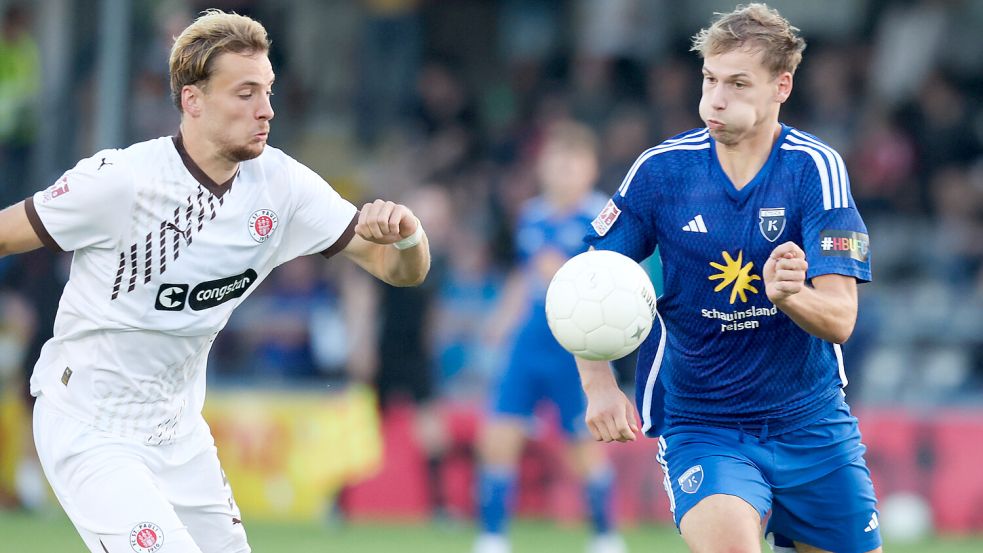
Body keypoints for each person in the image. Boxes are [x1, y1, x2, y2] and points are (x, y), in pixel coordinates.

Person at [0, 10, 430, 553]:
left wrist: (410, 236)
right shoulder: (121, 182)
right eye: (245, 93)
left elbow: (398, 270)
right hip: (91, 428)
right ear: (192, 101)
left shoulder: (283, 186)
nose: (266, 110)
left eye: (268, 92)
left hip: (181, 435)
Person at [576, 5, 882, 553]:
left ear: (780, 87)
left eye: (738, 84)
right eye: (710, 80)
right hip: (703, 425)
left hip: (810, 423)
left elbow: (840, 319)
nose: (716, 99)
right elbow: (588, 280)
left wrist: (790, 295)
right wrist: (599, 385)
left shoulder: (816, 170)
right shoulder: (661, 171)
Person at [473, 120, 627, 553]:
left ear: (590, 168)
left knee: (583, 444)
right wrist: (499, 322)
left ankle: (604, 535)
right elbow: (526, 276)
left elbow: (610, 280)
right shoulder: (531, 215)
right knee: (499, 435)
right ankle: (492, 537)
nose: (562, 171)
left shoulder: (603, 218)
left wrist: (560, 269)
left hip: (578, 349)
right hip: (530, 342)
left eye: (571, 163)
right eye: (555, 163)